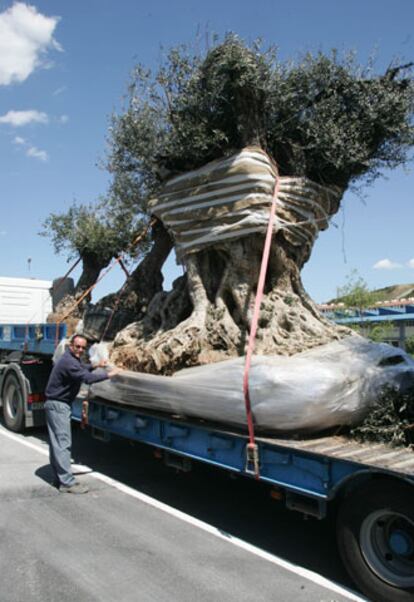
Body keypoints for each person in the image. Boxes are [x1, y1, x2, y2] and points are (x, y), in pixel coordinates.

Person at [45, 333, 120, 494]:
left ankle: (59, 478)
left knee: (57, 444)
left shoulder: (70, 359)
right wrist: (109, 374)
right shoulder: (69, 362)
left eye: (82, 348)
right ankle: (66, 482)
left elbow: (81, 369)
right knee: (63, 444)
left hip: (55, 404)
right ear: (71, 345)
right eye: (77, 346)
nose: (80, 350)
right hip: (59, 406)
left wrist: (96, 364)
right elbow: (87, 378)